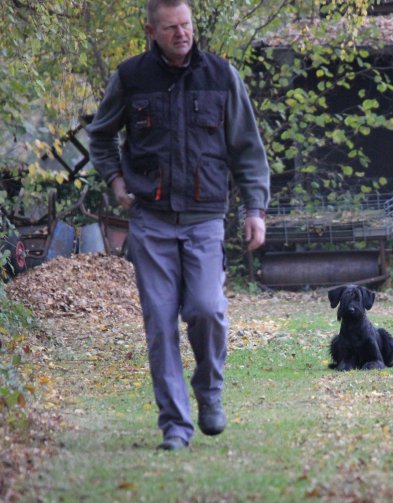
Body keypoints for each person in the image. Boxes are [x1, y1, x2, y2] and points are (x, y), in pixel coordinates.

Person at [87, 0, 270, 451]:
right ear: (151, 30)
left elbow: (247, 149)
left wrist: (254, 210)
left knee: (207, 309)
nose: (181, 34)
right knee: (160, 324)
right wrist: (115, 180)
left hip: (205, 218)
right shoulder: (131, 78)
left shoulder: (221, 76)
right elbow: (100, 134)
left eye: (186, 25)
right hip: (150, 221)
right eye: (171, 28)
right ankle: (175, 425)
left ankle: (209, 394)